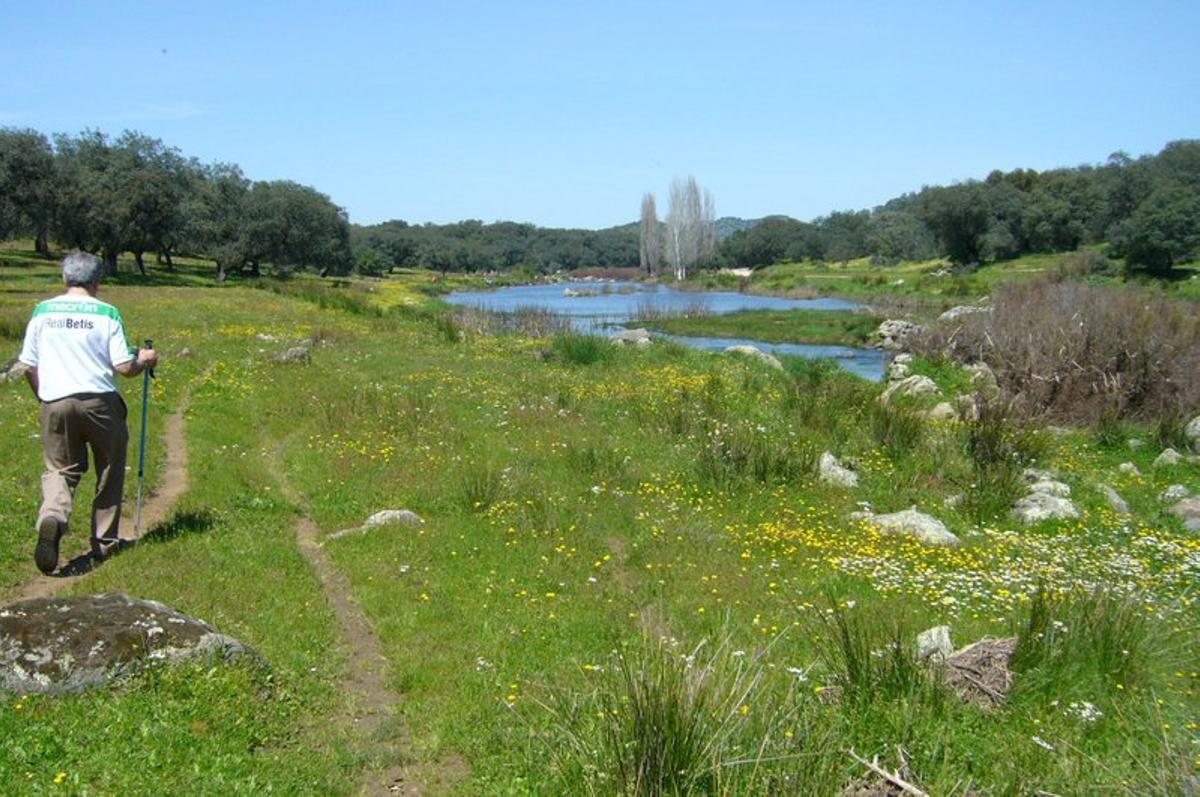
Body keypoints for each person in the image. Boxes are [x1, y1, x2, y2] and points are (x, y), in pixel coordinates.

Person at [17, 251, 159, 574]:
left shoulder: (42, 312)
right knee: (109, 469)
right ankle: (104, 543)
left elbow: (28, 364)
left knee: (60, 470)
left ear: (64, 278)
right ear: (98, 282)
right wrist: (146, 359)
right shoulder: (107, 313)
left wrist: (43, 396)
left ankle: (52, 517)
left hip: (55, 402)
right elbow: (124, 367)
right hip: (100, 402)